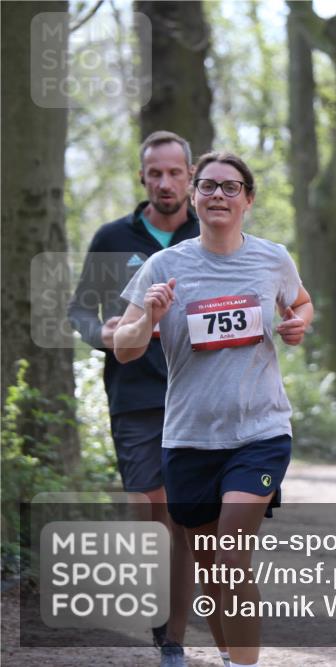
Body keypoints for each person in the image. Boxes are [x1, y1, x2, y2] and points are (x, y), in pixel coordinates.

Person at [114, 151, 313, 667]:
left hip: (261, 432)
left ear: (248, 199)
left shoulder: (272, 258)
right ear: (193, 197)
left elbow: (301, 302)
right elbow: (126, 348)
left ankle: (242, 664)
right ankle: (228, 654)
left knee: (231, 557)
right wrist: (149, 316)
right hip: (188, 438)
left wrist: (297, 323)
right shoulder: (165, 266)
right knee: (209, 569)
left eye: (231, 187)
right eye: (208, 186)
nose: (218, 195)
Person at [68, 130, 199, 667]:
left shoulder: (211, 233)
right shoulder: (113, 238)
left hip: (198, 395)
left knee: (182, 520)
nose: (165, 183)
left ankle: (172, 640)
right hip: (135, 396)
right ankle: (161, 622)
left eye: (174, 173)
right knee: (149, 514)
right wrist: (105, 333)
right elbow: (79, 311)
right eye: (155, 174)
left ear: (191, 176)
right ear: (142, 178)